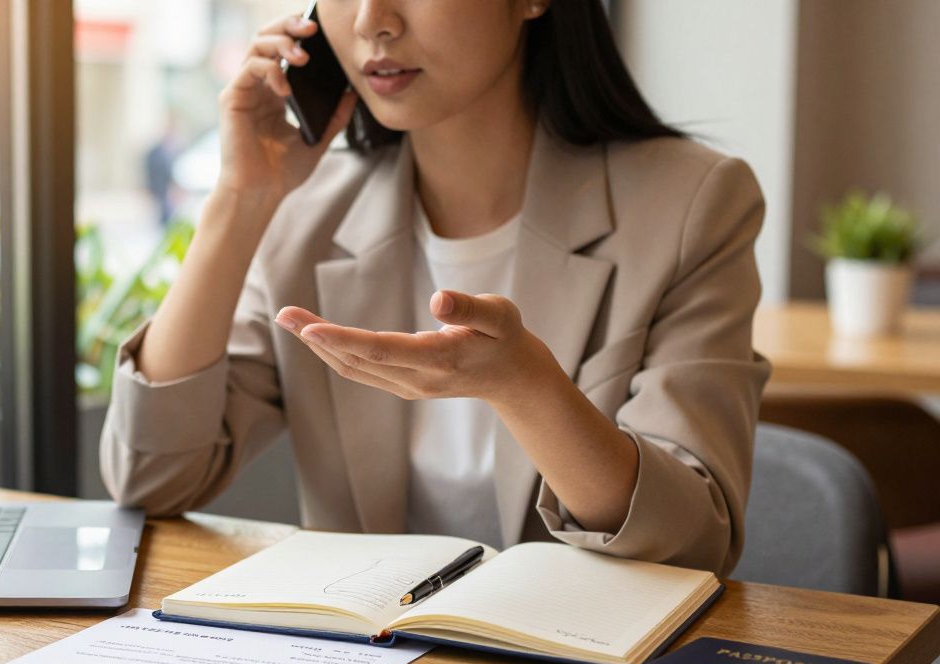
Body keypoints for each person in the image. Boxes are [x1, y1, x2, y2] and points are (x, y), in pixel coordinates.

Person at [100, 0, 770, 575]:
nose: (372, 21)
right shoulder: (307, 211)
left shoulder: (692, 204)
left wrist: (526, 387)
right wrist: (240, 198)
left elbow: (695, 542)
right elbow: (152, 478)